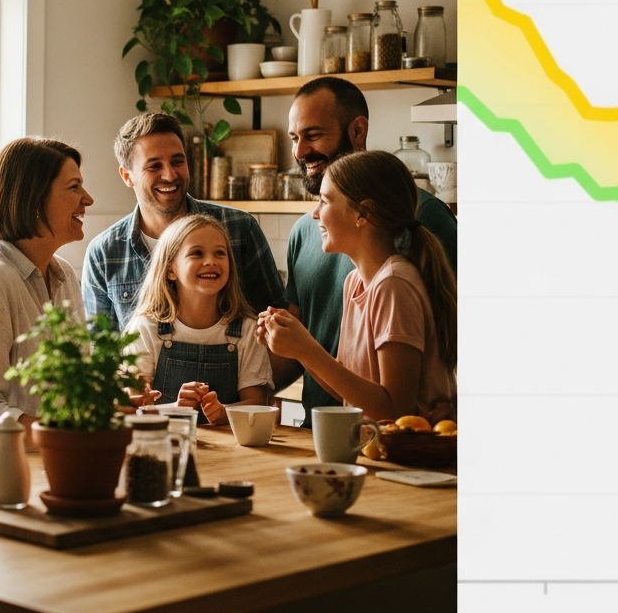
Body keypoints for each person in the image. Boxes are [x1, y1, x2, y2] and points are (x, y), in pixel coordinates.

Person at [277, 77, 457, 423]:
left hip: (403, 441)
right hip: (343, 435)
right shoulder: (348, 275)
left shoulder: (400, 269)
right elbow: (345, 380)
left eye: (312, 135)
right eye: (294, 138)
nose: (299, 152)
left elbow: (395, 407)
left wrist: (306, 349)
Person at [0, 137, 94, 461]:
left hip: (49, 466)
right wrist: (63, 436)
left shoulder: (64, 276)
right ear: (34, 199)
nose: (88, 199)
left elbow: (74, 390)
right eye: (74, 187)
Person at [82, 112, 287, 331]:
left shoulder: (240, 228)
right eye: (154, 166)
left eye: (177, 161)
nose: (170, 175)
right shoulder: (103, 253)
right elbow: (101, 345)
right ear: (127, 176)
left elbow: (277, 321)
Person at [124, 214, 272, 425]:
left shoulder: (248, 330)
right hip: (165, 440)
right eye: (197, 253)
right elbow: (136, 406)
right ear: (170, 269)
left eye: (220, 253)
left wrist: (224, 413)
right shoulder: (146, 328)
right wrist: (175, 409)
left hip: (229, 445)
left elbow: (256, 403)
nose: (211, 261)